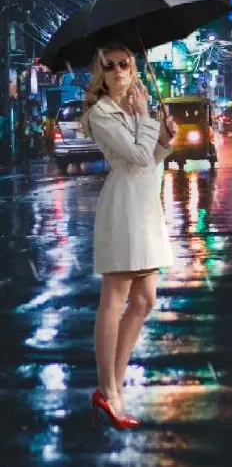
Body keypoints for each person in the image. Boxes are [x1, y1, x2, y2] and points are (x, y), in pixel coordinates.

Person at [81, 43, 176, 429]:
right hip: (122, 207)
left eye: (125, 64)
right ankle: (108, 388)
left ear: (134, 70)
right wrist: (147, 120)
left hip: (145, 206)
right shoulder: (99, 113)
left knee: (145, 299)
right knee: (115, 298)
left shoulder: (130, 109)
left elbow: (149, 158)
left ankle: (113, 385)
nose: (119, 70)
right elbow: (135, 157)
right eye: (110, 66)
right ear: (100, 74)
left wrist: (164, 139)